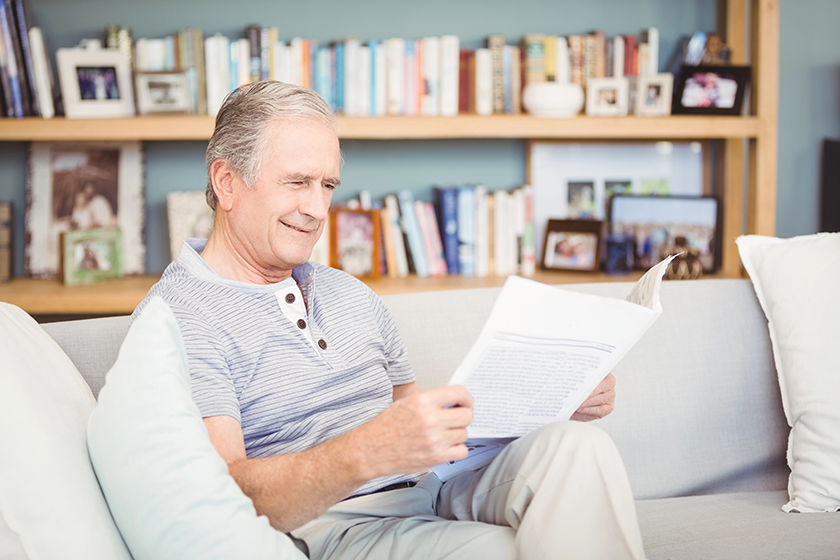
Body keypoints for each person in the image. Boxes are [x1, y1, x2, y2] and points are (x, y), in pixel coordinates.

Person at [133, 81, 645, 560]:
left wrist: (549, 398)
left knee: (578, 447)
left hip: (434, 485)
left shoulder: (349, 292)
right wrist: (369, 450)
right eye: (297, 182)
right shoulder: (179, 316)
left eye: (327, 184)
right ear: (227, 182)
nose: (316, 208)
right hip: (338, 524)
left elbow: (419, 425)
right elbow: (225, 492)